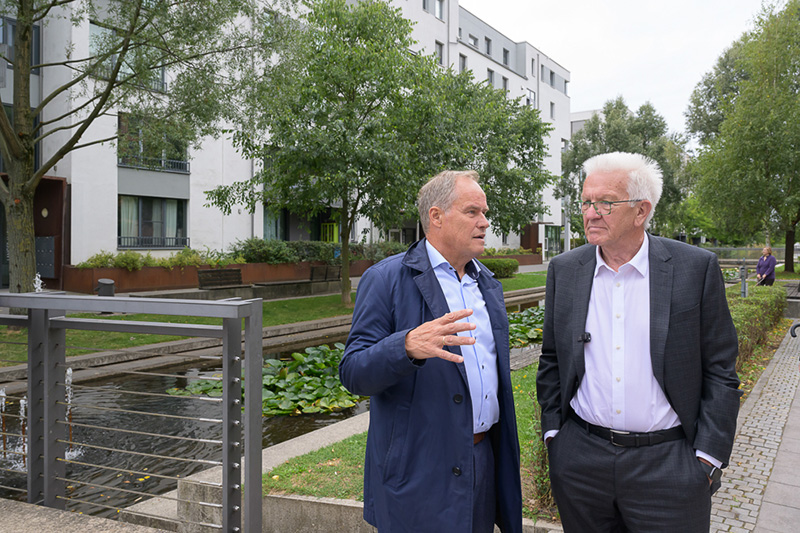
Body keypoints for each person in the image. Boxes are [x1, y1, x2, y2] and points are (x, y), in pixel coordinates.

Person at [536, 152, 741, 532]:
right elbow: (552, 359)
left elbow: (721, 370)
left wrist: (707, 457)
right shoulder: (564, 271)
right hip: (581, 461)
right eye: (585, 202)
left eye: (605, 203)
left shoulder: (694, 269)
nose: (590, 213)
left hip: (668, 466)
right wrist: (555, 437)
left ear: (641, 210)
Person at [340, 170, 522, 533]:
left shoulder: (487, 284)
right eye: (472, 212)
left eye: (485, 213)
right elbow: (353, 372)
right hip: (417, 474)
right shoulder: (386, 279)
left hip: (482, 460)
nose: (485, 222)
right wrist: (405, 346)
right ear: (436, 217)